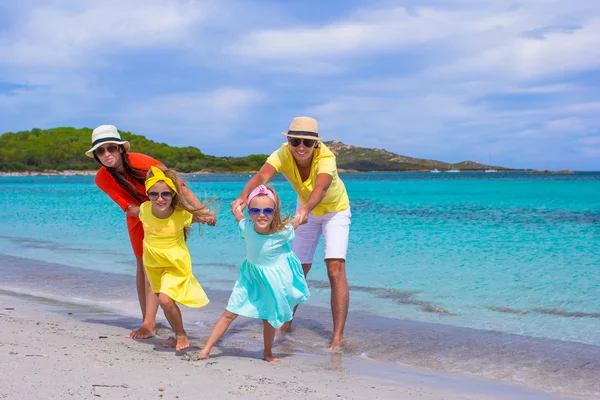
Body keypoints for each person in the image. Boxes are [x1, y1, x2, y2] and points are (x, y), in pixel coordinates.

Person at [231, 116, 351, 351]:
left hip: (335, 211)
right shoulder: (283, 154)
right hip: (305, 209)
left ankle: (337, 337)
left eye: (307, 143)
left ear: (316, 143)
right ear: (289, 141)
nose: (300, 148)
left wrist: (305, 209)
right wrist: (243, 197)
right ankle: (284, 323)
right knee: (296, 266)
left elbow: (322, 187)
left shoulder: (326, 157)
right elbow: (261, 177)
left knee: (334, 267)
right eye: (295, 141)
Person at [86, 124, 204, 339]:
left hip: (165, 207)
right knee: (144, 264)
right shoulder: (102, 178)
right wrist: (150, 216)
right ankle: (148, 323)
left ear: (121, 149)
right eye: (100, 151)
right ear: (96, 156)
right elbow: (129, 207)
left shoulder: (142, 162)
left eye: (111, 148)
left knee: (167, 260)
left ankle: (170, 317)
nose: (106, 154)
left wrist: (201, 212)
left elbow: (179, 187)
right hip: (138, 215)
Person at [198, 185, 310, 362]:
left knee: (268, 317)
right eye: (256, 210)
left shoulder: (283, 232)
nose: (262, 214)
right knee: (230, 312)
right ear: (250, 212)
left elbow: (297, 220)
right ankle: (206, 349)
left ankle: (267, 352)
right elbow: (237, 213)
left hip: (273, 280)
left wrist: (303, 216)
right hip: (249, 277)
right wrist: (237, 206)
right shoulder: (247, 227)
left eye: (268, 210)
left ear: (275, 211)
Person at [140, 166, 216, 351]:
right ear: (148, 194)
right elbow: (135, 212)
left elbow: (201, 217)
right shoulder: (144, 209)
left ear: (173, 194)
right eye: (154, 194)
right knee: (167, 303)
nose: (160, 199)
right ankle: (177, 334)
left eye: (166, 194)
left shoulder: (181, 214)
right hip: (154, 265)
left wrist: (209, 218)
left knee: (165, 300)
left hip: (176, 264)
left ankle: (182, 335)